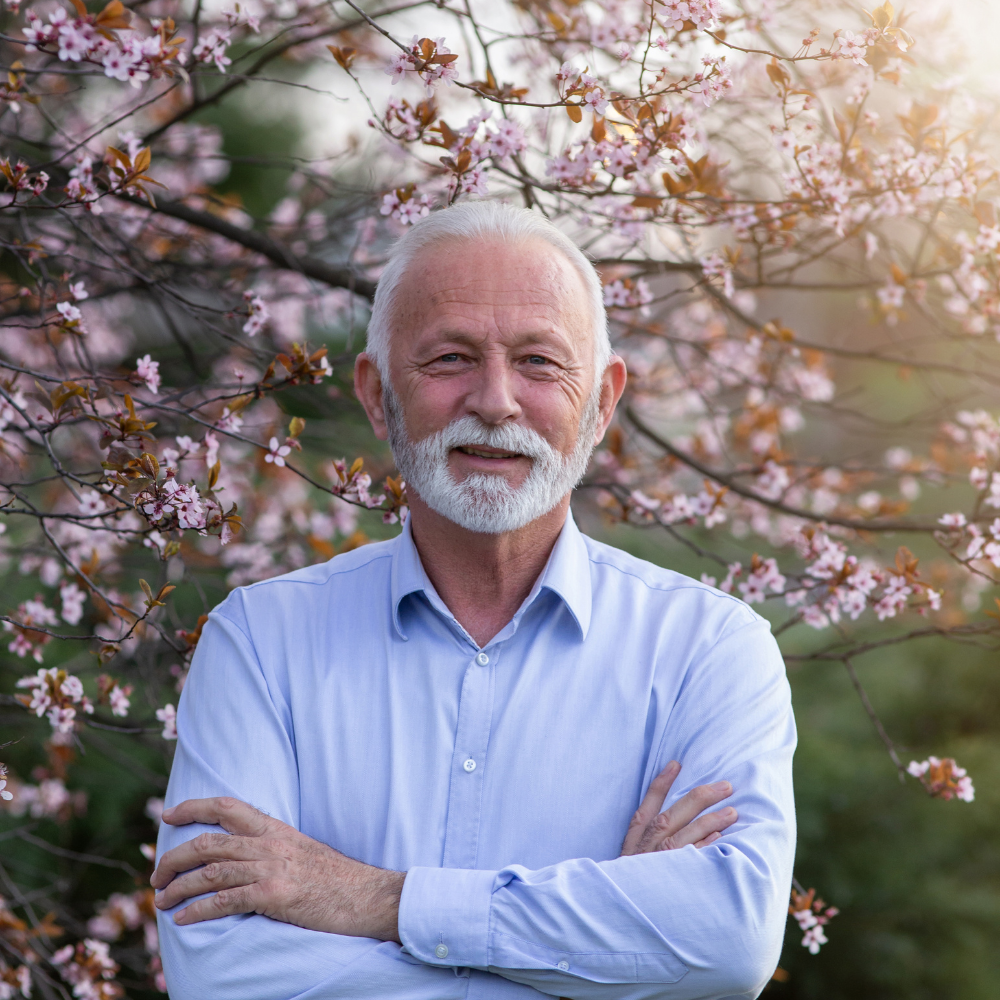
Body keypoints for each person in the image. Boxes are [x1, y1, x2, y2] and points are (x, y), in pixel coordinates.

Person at [152, 201, 796, 1000]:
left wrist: (373, 899)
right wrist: (607, 951)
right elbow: (223, 977)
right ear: (379, 396)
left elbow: (728, 945)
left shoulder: (712, 649)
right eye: (451, 358)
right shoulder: (259, 643)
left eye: (538, 362)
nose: (495, 400)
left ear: (601, 402)